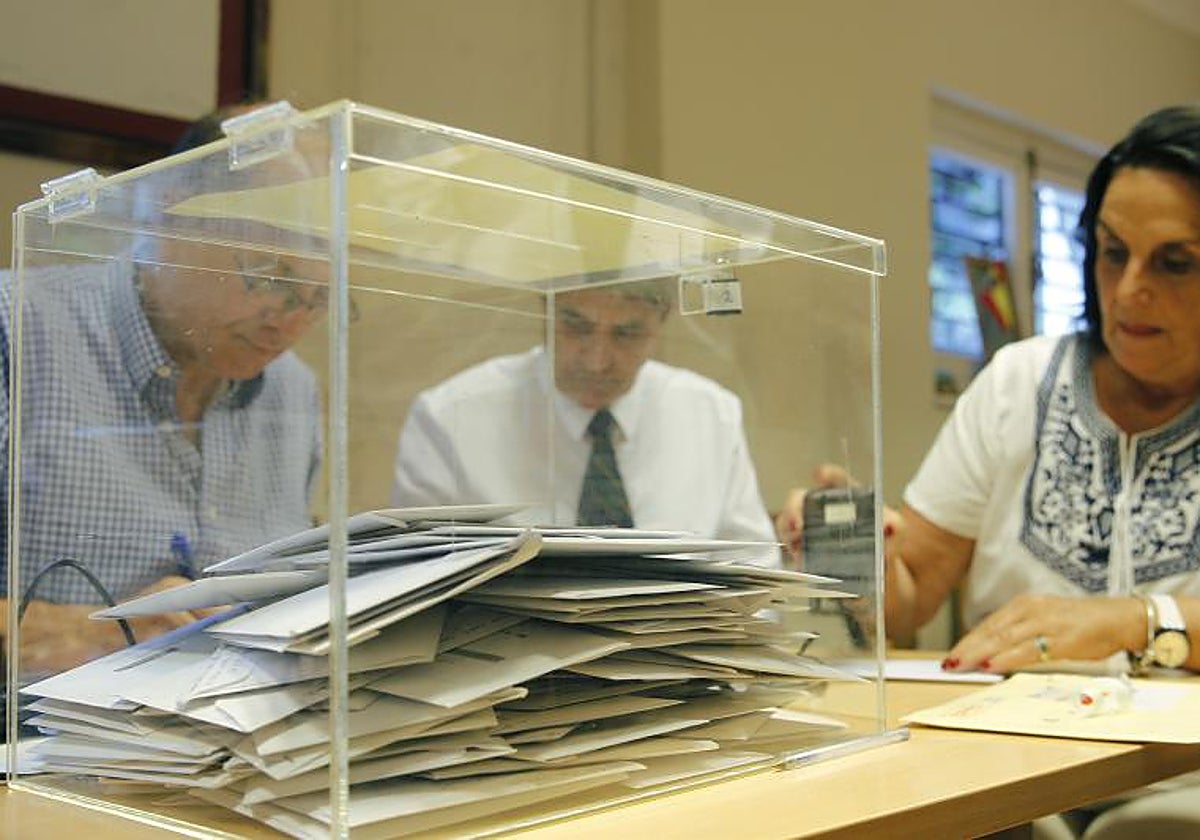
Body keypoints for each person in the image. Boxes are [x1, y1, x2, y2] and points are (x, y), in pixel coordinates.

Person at [779, 103, 1200, 839]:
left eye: (1175, 262)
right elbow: (909, 599)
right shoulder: (1018, 382)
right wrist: (857, 554)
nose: (1131, 288)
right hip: (1009, 764)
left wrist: (1136, 621)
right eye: (1111, 252)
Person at [0, 103, 325, 674]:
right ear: (171, 212)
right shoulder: (16, 331)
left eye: (320, 299)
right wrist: (96, 631)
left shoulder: (291, 390)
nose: (290, 324)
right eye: (270, 277)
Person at [392, 280, 778, 560]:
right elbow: (413, 585)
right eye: (576, 326)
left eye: (627, 334)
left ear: (662, 323)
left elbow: (752, 575)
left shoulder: (712, 415)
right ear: (544, 309)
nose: (597, 360)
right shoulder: (448, 420)